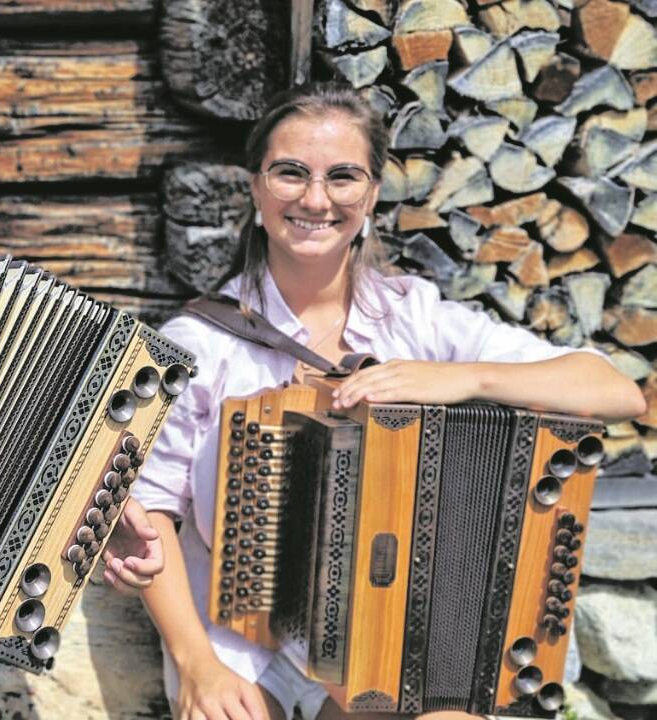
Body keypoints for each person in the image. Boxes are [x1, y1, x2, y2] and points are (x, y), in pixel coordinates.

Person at [123, 82, 647, 720]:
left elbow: (614, 391)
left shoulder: (413, 318)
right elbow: (151, 509)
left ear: (370, 196)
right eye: (291, 173)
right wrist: (195, 663)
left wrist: (463, 379)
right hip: (240, 642)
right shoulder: (198, 342)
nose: (316, 199)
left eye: (343, 177)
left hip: (388, 640)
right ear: (256, 188)